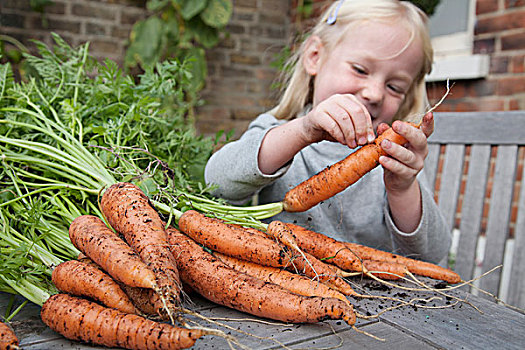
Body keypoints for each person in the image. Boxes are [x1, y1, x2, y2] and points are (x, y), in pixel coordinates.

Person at [204, 0, 451, 265]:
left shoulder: (394, 160)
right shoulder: (278, 130)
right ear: (315, 57)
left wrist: (403, 189)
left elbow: (432, 255)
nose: (375, 94)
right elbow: (217, 183)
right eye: (360, 70)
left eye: (394, 87)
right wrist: (303, 131)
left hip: (370, 292)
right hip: (284, 283)